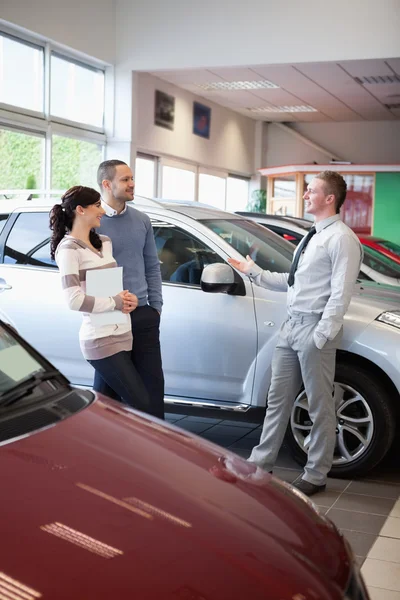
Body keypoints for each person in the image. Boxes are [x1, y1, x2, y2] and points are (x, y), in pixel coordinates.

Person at [228, 171, 363, 496]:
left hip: (315, 328)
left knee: (319, 405)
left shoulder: (342, 238)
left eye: (311, 191)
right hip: (292, 325)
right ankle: (261, 464)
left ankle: (316, 474)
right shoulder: (313, 235)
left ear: (329, 198)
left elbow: (340, 293)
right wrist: (255, 273)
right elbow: (294, 284)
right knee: (277, 399)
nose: (304, 195)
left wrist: (321, 335)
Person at [49, 185, 152, 415]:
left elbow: (110, 288)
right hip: (100, 339)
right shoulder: (68, 250)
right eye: (97, 206)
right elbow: (74, 300)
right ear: (80, 210)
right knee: (142, 403)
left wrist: (127, 299)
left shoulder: (104, 241)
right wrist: (114, 302)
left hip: (122, 332)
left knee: (105, 412)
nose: (103, 211)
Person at [96, 160, 165, 420]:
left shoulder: (142, 220)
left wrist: (155, 308)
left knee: (152, 392)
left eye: (132, 178)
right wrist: (106, 308)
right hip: (108, 317)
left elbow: (152, 267)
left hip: (142, 314)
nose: (132, 184)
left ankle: (158, 453)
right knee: (108, 397)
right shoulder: (92, 221)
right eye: (125, 179)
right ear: (107, 184)